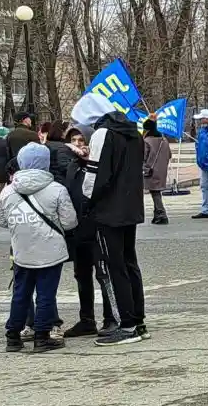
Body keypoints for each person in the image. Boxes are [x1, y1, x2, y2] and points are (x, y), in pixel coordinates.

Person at [0, 143, 77, 353]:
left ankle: (13, 336)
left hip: (21, 251)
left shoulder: (8, 190)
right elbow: (70, 222)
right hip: (51, 251)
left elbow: (1, 221)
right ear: (46, 163)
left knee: (20, 294)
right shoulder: (57, 189)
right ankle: (42, 336)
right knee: (46, 295)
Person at [80, 106, 148, 345]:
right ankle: (138, 320)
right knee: (130, 263)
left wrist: (86, 202)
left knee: (112, 267)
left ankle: (126, 325)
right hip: (131, 208)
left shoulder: (103, 134)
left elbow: (94, 175)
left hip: (108, 210)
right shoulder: (135, 134)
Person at [48, 126, 112, 338]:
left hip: (99, 230)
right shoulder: (72, 167)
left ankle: (111, 318)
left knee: (104, 275)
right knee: (82, 275)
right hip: (78, 231)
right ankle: (87, 320)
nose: (78, 145)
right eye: (74, 140)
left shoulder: (101, 166)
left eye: (82, 140)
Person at [141, 118, 172, 225]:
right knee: (156, 192)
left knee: (155, 192)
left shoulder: (147, 141)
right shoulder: (164, 140)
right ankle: (157, 215)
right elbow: (169, 155)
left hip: (150, 170)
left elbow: (143, 156)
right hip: (162, 170)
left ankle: (162, 214)